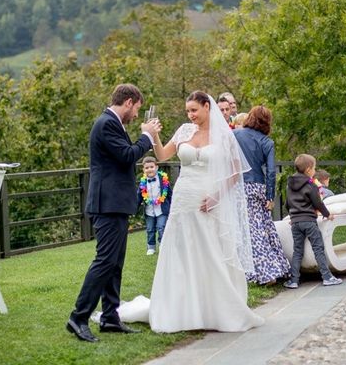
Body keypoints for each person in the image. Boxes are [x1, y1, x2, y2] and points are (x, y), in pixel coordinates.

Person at [147, 91, 264, 332]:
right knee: (182, 249)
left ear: (206, 107)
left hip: (210, 197)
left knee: (211, 249)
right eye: (187, 111)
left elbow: (234, 172)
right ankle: (183, 307)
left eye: (194, 110)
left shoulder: (224, 136)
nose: (190, 115)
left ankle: (216, 308)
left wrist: (216, 197)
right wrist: (154, 136)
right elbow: (162, 155)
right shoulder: (184, 131)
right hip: (184, 197)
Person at [67, 84, 160, 343]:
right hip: (106, 204)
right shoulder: (106, 123)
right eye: (137, 109)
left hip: (115, 204)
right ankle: (78, 317)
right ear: (129, 102)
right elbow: (127, 155)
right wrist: (147, 136)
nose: (136, 115)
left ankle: (110, 317)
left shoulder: (114, 124)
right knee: (105, 260)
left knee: (115, 263)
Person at [233, 106, 290, 285]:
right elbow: (271, 172)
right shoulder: (267, 142)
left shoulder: (236, 135)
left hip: (239, 186)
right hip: (258, 186)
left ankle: (266, 273)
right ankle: (279, 266)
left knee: (251, 231)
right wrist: (269, 196)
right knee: (264, 226)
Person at [283, 153, 342, 289]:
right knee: (318, 248)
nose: (315, 171)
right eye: (314, 168)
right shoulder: (311, 185)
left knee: (297, 250)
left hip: (295, 222)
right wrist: (327, 215)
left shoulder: (289, 185)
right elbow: (318, 203)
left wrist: (293, 216)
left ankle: (294, 280)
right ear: (309, 169)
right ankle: (327, 277)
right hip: (309, 221)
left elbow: (287, 204)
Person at [138, 156, 172, 256]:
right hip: (149, 210)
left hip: (162, 209)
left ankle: (162, 244)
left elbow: (169, 193)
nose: (149, 169)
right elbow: (139, 195)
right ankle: (151, 247)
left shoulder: (163, 180)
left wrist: (172, 204)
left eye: (151, 167)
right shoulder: (143, 182)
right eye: (147, 168)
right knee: (150, 229)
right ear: (143, 170)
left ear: (156, 167)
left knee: (161, 227)